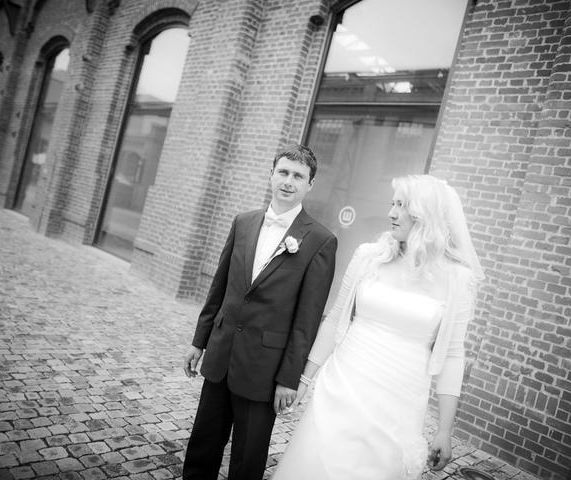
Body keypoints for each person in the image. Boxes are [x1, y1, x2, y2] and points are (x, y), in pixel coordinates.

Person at [272, 174, 485, 480]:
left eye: (401, 205)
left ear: (424, 213)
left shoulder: (457, 279)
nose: (391, 213)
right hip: (344, 384)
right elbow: (335, 319)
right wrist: (304, 379)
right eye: (392, 203)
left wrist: (444, 430)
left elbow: (452, 355)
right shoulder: (368, 257)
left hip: (400, 399)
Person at [182, 144, 338, 480]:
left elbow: (307, 321)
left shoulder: (320, 240)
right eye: (283, 172)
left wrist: (288, 379)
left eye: (298, 176)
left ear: (310, 185)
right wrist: (199, 341)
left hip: (265, 369)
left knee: (247, 459)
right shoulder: (243, 222)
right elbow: (219, 288)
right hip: (221, 354)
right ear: (271, 175)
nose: (288, 181)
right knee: (202, 446)